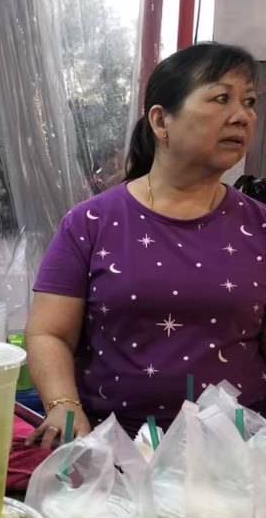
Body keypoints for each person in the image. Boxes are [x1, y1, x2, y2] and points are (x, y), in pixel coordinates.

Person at [25, 43, 265, 447]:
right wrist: (64, 405)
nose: (242, 116)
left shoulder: (259, 225)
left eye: (250, 102)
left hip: (235, 452)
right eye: (222, 98)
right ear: (160, 121)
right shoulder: (91, 222)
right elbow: (49, 333)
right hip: (113, 444)